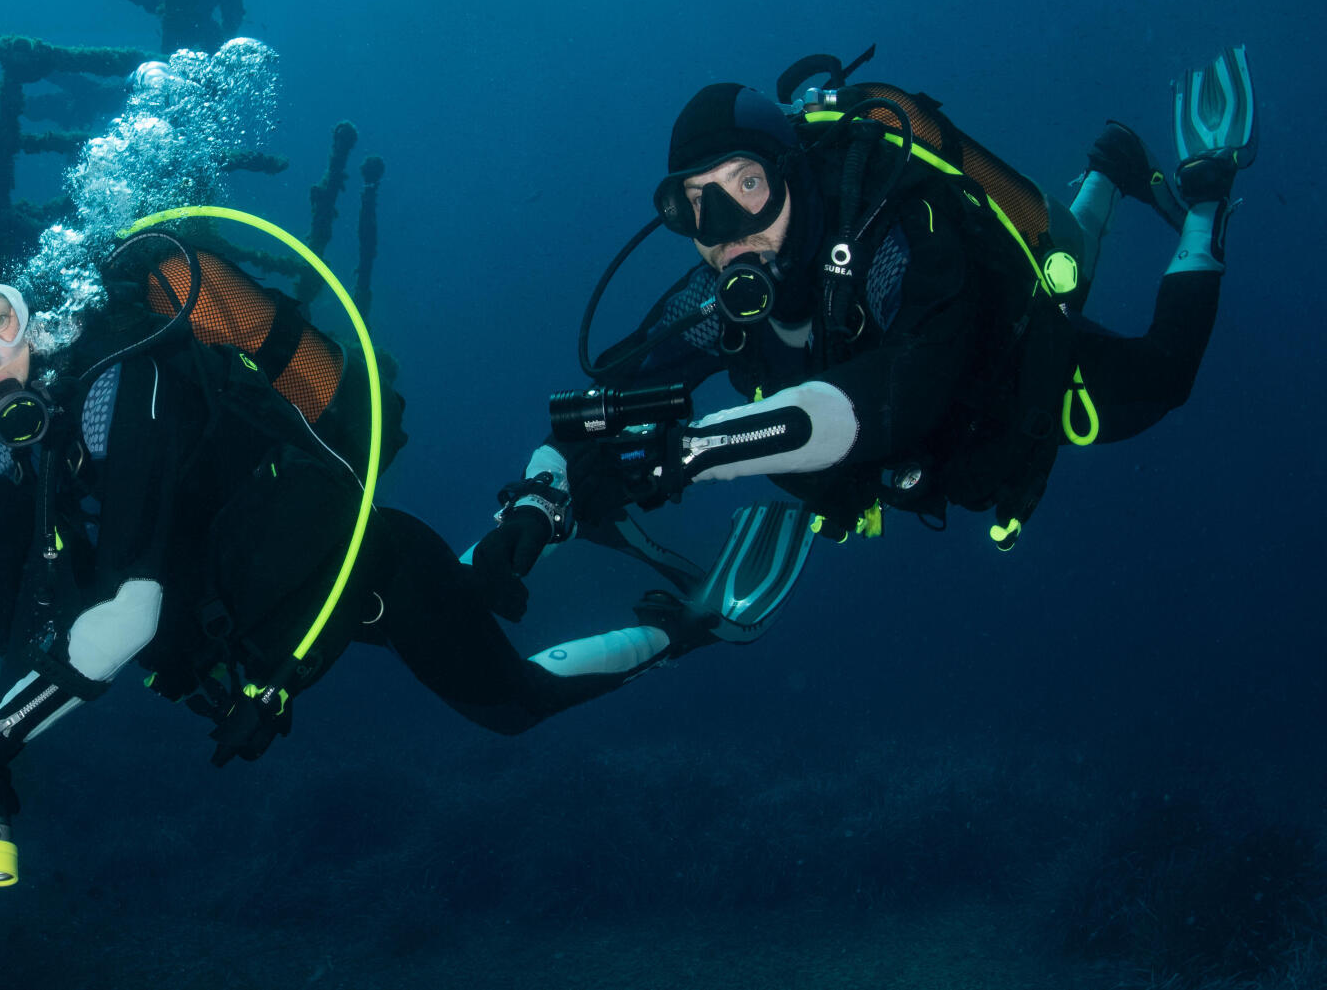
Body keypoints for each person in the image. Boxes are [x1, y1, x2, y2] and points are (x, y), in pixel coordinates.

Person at [0, 224, 803, 875]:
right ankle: (534, 526)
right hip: (281, 604)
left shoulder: (117, 376)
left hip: (358, 571)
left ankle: (687, 624)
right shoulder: (16, 440)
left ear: (32, 307)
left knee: (512, 701)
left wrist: (0, 735)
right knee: (471, 591)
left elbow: (133, 609)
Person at [472, 47, 1256, 654]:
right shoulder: (714, 299)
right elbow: (601, 401)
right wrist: (538, 504)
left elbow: (897, 392)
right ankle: (1107, 169)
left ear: (791, 174)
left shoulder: (885, 228)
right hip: (912, 465)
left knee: (1156, 366)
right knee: (1075, 258)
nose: (726, 230)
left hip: (1011, 373)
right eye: (694, 205)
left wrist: (693, 452)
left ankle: (1205, 193)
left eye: (746, 186)